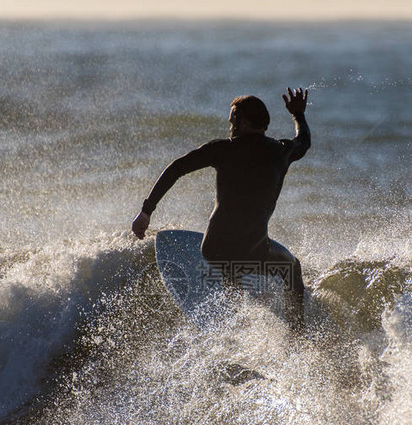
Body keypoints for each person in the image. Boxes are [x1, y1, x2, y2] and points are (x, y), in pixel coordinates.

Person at [132, 87, 311, 331]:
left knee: (231, 262)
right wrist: (298, 114)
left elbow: (176, 168)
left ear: (242, 122)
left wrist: (146, 211)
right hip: (254, 250)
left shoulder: (222, 149)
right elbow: (304, 141)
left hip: (214, 248)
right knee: (291, 268)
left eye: (232, 121)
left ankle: (233, 301)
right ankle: (298, 332)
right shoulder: (282, 151)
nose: (230, 126)